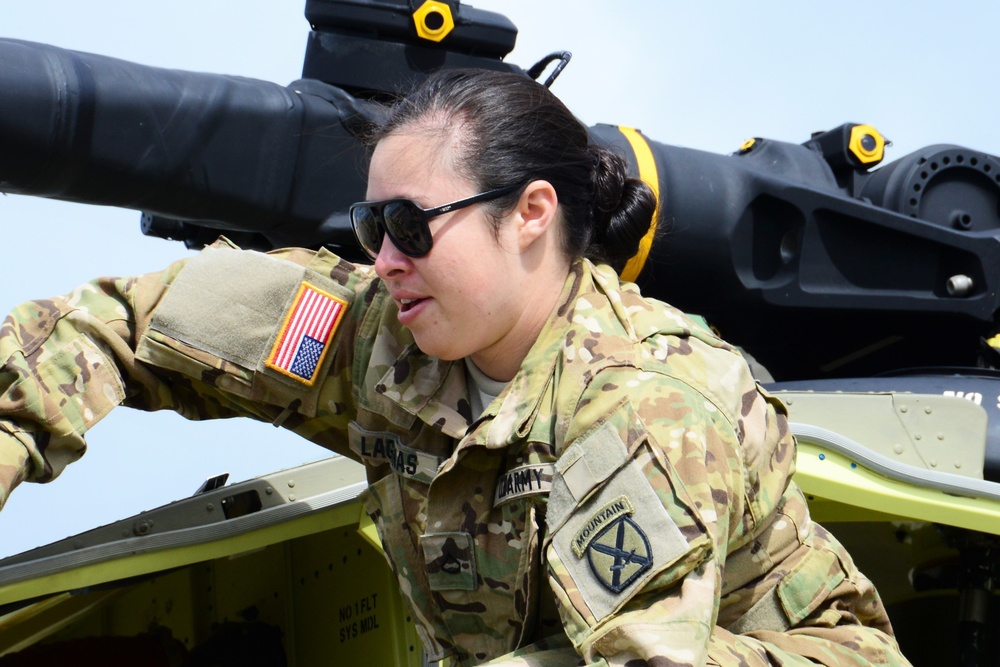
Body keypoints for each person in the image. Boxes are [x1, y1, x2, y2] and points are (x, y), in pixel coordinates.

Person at [0, 68, 910, 666]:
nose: (383, 259)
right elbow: (116, 322)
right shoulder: (380, 334)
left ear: (530, 213)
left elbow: (642, 660)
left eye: (410, 227)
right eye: (370, 228)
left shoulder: (641, 408)